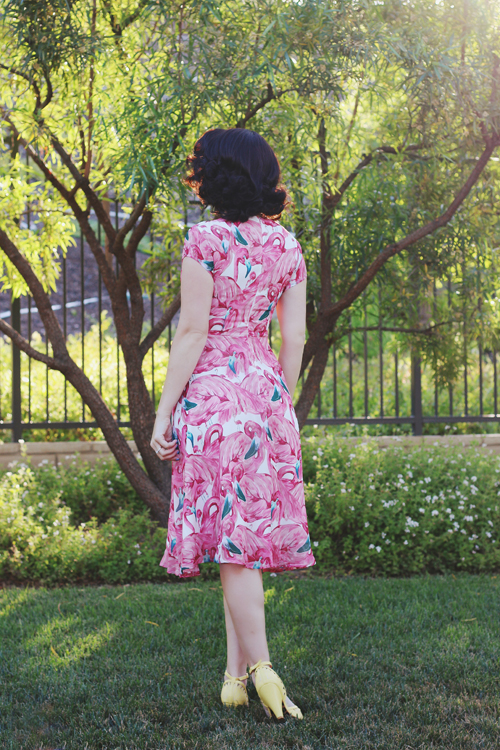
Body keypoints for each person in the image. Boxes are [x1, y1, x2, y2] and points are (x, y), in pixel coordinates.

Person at [150, 127, 316, 720]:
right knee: (236, 540)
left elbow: (193, 332)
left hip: (215, 400)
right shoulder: (287, 247)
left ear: (217, 176)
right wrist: (279, 400)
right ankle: (232, 676)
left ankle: (263, 667)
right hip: (266, 394)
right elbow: (293, 336)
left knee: (233, 541)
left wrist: (164, 411)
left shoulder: (206, 239)